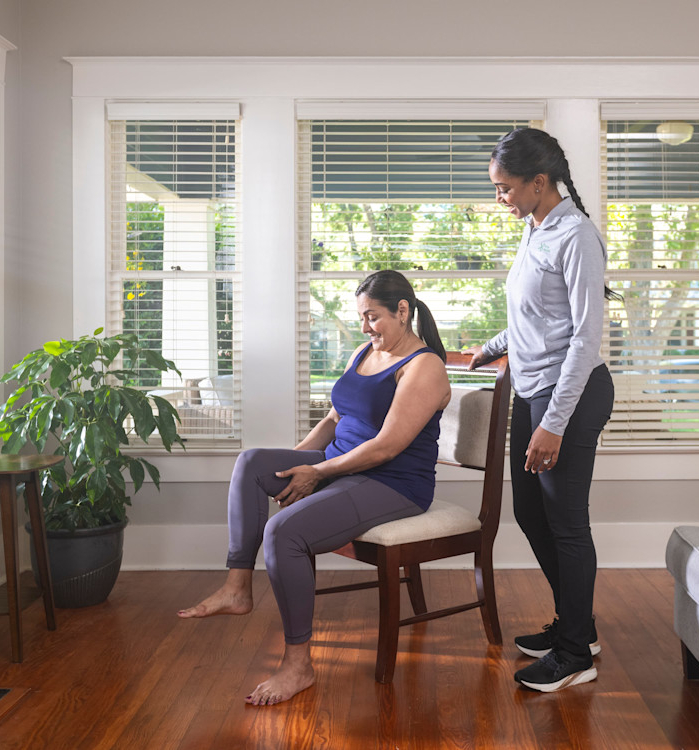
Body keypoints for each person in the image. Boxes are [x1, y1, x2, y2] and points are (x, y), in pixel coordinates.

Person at [179, 269, 451, 706]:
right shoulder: (365, 351)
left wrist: (319, 474)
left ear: (403, 311)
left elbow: (386, 447)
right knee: (252, 463)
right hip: (341, 467)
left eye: (373, 317)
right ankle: (237, 587)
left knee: (284, 532)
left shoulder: (425, 367)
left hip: (393, 484)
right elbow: (334, 418)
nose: (365, 327)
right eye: (361, 317)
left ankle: (297, 664)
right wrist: (296, 464)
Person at [468, 127, 617, 693]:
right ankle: (578, 625)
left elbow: (584, 338)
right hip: (532, 389)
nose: (499, 199)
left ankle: (576, 654)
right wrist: (492, 349)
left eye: (505, 189)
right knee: (531, 513)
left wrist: (554, 422)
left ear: (538, 182)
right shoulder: (535, 229)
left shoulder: (575, 235)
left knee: (566, 523)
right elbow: (535, 314)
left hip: (570, 397)